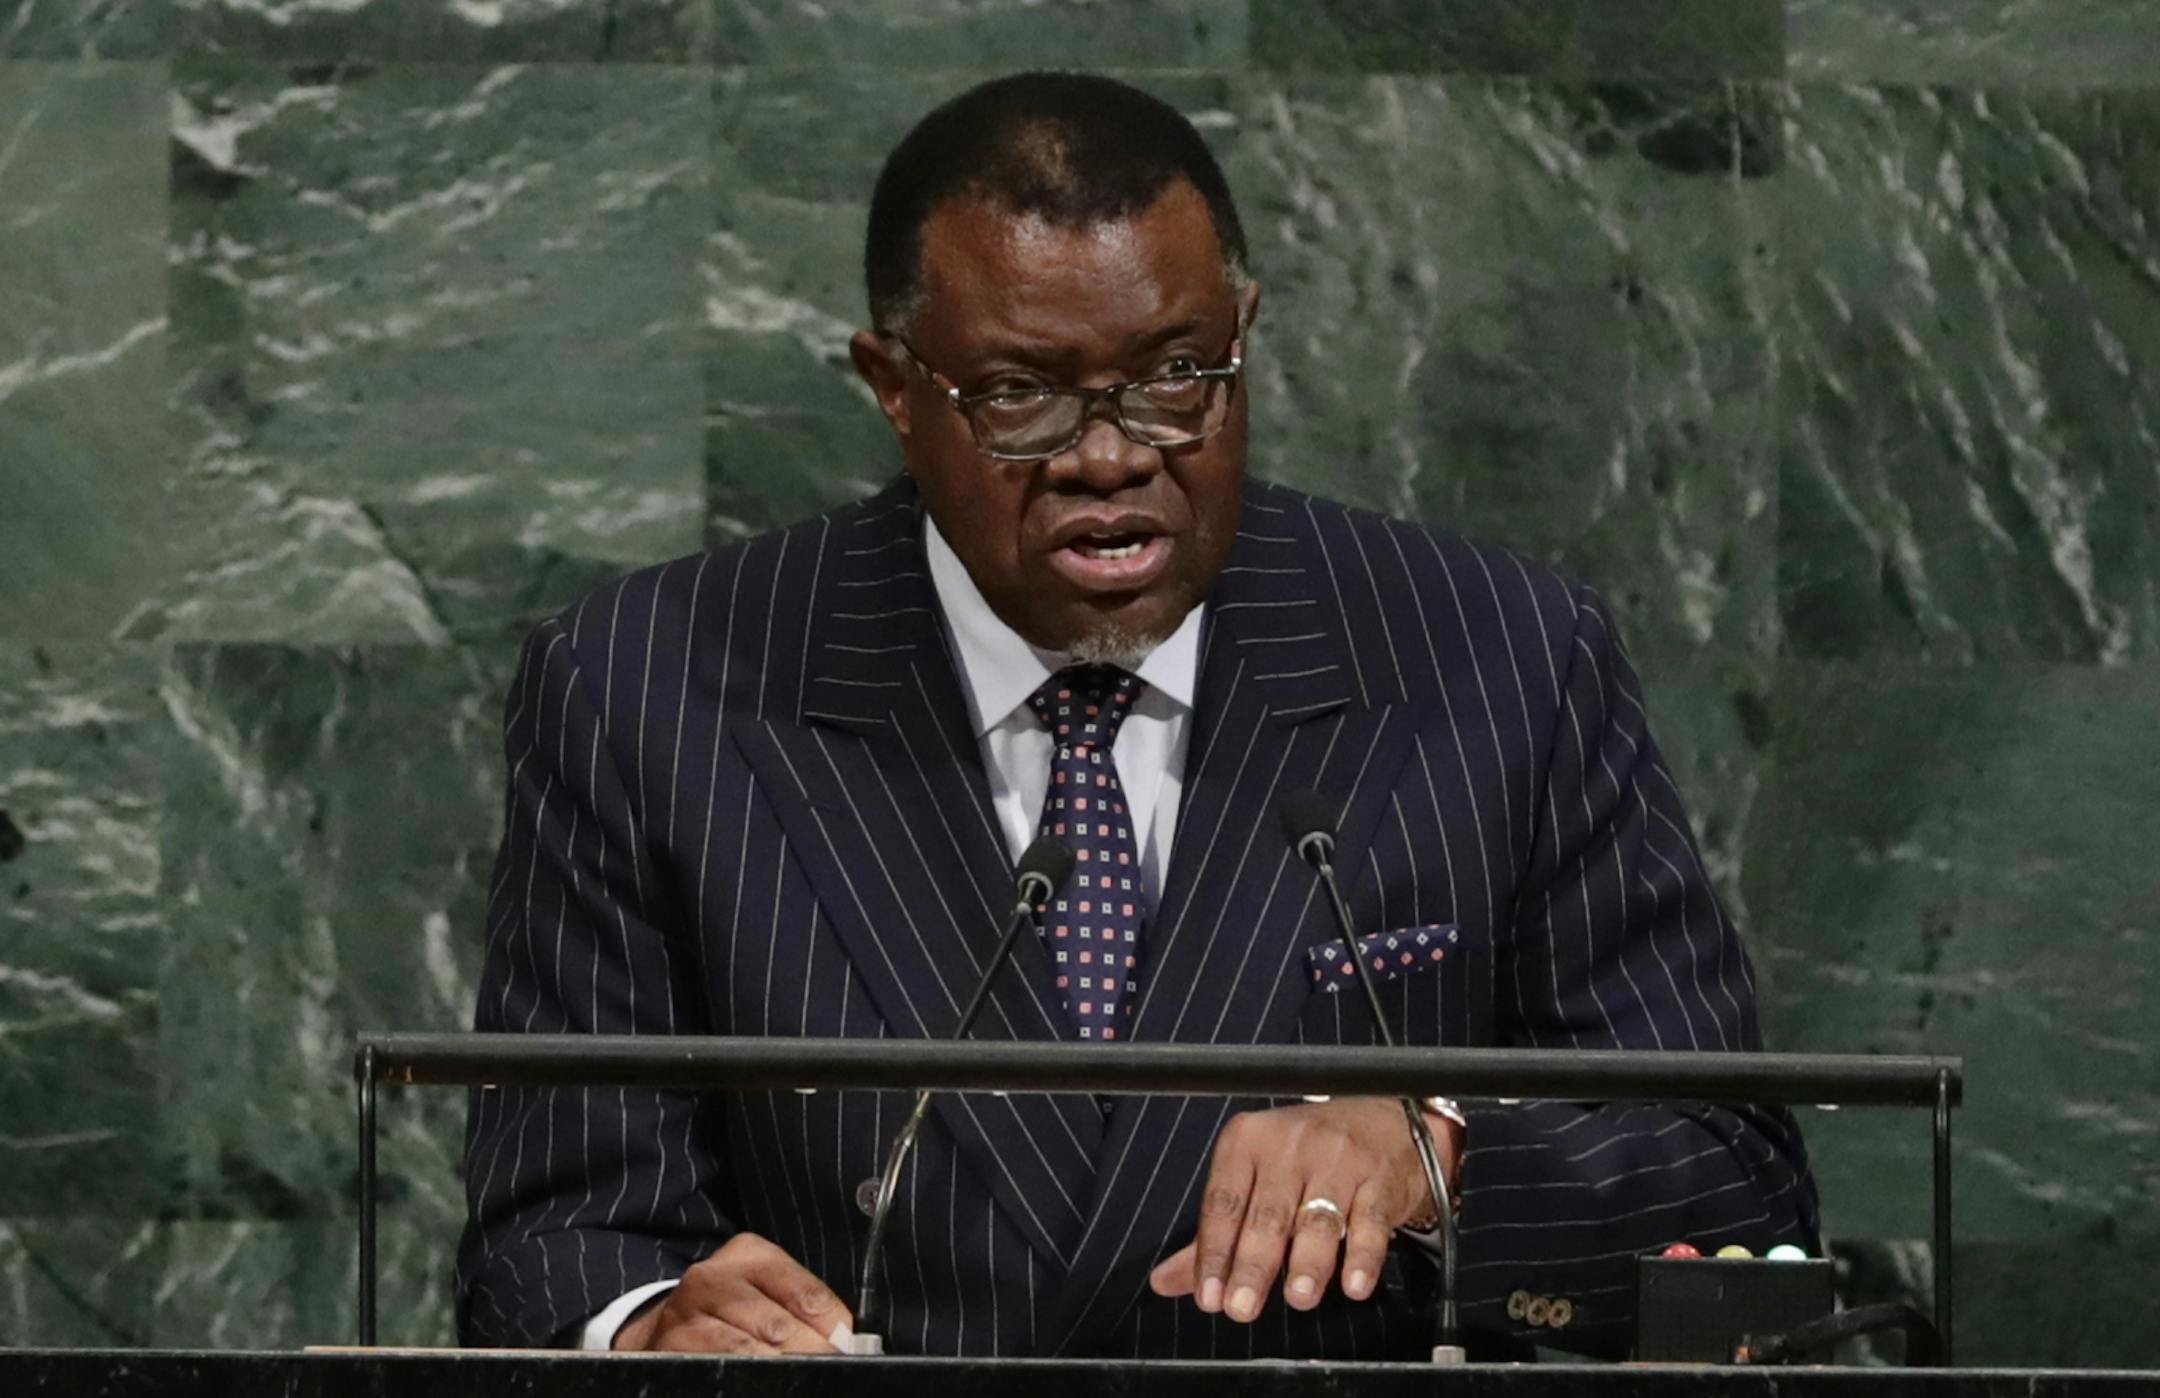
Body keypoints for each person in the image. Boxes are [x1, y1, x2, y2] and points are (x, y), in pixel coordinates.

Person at [457, 71, 1817, 1362]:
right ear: (891, 386)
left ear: (1244, 336)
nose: (1110, 456)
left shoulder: (1498, 659)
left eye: (1177, 376)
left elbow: (1736, 1184)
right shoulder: (649, 684)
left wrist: (1440, 1156)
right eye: (1022, 396)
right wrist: (649, 1323)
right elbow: (556, 1225)